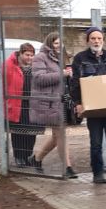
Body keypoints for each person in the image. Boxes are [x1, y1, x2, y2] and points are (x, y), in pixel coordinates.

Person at [70, 26, 106, 184]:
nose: (96, 41)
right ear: (88, 40)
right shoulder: (80, 59)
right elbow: (74, 84)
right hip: (92, 109)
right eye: (93, 38)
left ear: (103, 40)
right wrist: (78, 103)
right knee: (95, 141)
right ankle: (97, 172)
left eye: (99, 38)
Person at [32, 32, 77, 178]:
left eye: (60, 43)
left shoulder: (64, 57)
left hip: (64, 101)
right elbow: (39, 79)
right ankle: (67, 168)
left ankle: (36, 159)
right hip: (50, 102)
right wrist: (62, 74)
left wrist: (70, 74)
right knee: (60, 134)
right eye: (56, 43)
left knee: (56, 136)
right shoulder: (40, 57)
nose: (59, 46)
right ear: (49, 43)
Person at [0, 43, 37, 167]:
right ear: (20, 53)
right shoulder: (8, 65)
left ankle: (28, 156)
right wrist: (0, 104)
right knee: (18, 132)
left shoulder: (35, 67)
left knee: (31, 132)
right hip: (15, 104)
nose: (30, 58)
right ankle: (19, 156)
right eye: (27, 55)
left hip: (31, 104)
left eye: (32, 55)